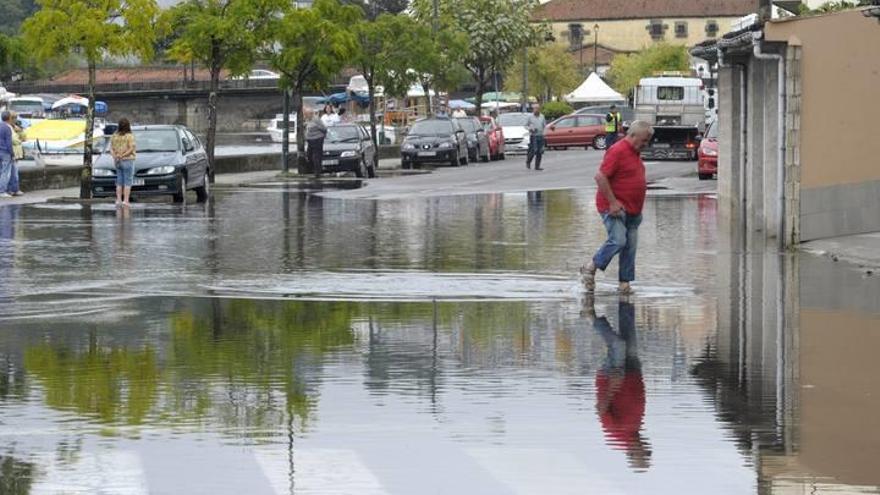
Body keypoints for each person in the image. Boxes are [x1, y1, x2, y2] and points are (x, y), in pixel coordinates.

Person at [580, 121, 654, 295]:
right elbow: (600, 177)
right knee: (619, 241)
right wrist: (613, 202)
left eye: (647, 141)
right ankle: (590, 267)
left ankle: (624, 284)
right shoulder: (618, 150)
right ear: (633, 135)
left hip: (633, 210)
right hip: (613, 207)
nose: (646, 145)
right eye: (644, 140)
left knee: (630, 247)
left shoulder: (635, 152)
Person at [583, 297, 651, 471]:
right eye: (648, 452)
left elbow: (600, 409)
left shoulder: (616, 436)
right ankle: (625, 299)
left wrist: (612, 386)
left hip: (613, 376)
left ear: (633, 454)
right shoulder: (635, 430)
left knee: (618, 346)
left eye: (644, 453)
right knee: (629, 331)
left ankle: (592, 318)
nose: (647, 448)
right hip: (633, 372)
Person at [110, 118, 137, 207]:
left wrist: (115, 156)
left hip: (117, 161)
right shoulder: (130, 136)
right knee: (128, 181)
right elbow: (131, 148)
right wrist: (123, 155)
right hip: (128, 160)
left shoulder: (114, 135)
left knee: (119, 181)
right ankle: (126, 200)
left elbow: (111, 148)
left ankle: (118, 200)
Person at [6, 111, 25, 196]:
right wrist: (19, 140)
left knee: (14, 172)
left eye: (15, 118)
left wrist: (20, 130)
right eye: (13, 118)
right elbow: (14, 140)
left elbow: (24, 137)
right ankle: (12, 189)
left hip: (17, 153)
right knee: (11, 173)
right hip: (11, 152)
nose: (14, 120)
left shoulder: (16, 128)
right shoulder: (8, 128)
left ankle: (14, 189)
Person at [305, 108, 327, 178]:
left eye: (306, 114)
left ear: (311, 114)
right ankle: (314, 169)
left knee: (316, 157)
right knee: (309, 155)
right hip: (310, 140)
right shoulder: (308, 120)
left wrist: (322, 137)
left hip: (317, 139)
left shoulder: (316, 120)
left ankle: (317, 173)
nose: (305, 115)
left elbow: (324, 129)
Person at [525, 104, 546, 171]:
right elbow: (525, 125)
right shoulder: (530, 117)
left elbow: (544, 126)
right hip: (533, 135)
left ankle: (537, 166)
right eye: (535, 108)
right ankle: (528, 161)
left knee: (540, 151)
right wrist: (530, 129)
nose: (536, 110)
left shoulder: (542, 116)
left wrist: (544, 133)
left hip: (540, 135)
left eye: (537, 108)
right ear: (533, 110)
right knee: (534, 150)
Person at [0, 112, 14, 199]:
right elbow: (9, 143)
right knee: (5, 172)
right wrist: (12, 153)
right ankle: (2, 191)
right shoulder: (7, 128)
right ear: (9, 118)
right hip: (5, 152)